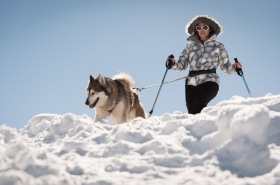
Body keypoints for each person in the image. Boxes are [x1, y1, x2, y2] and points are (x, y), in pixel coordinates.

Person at [166, 15, 242, 114]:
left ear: (210, 29)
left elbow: (225, 66)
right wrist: (172, 63)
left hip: (210, 80)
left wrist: (235, 68)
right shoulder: (190, 47)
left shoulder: (218, 46)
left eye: (205, 27)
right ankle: (202, 127)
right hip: (191, 82)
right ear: (196, 29)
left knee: (199, 104)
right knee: (192, 112)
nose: (202, 30)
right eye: (199, 27)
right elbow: (181, 65)